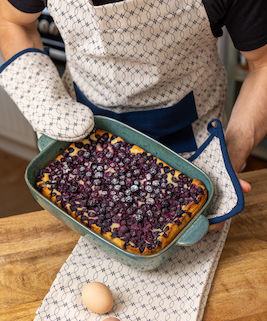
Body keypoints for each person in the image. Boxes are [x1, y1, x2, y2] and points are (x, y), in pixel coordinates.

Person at [0, 0, 266, 229]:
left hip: (193, 143)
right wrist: (45, 101)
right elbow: (12, 20)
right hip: (80, 140)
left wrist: (229, 156)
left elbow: (263, 63)